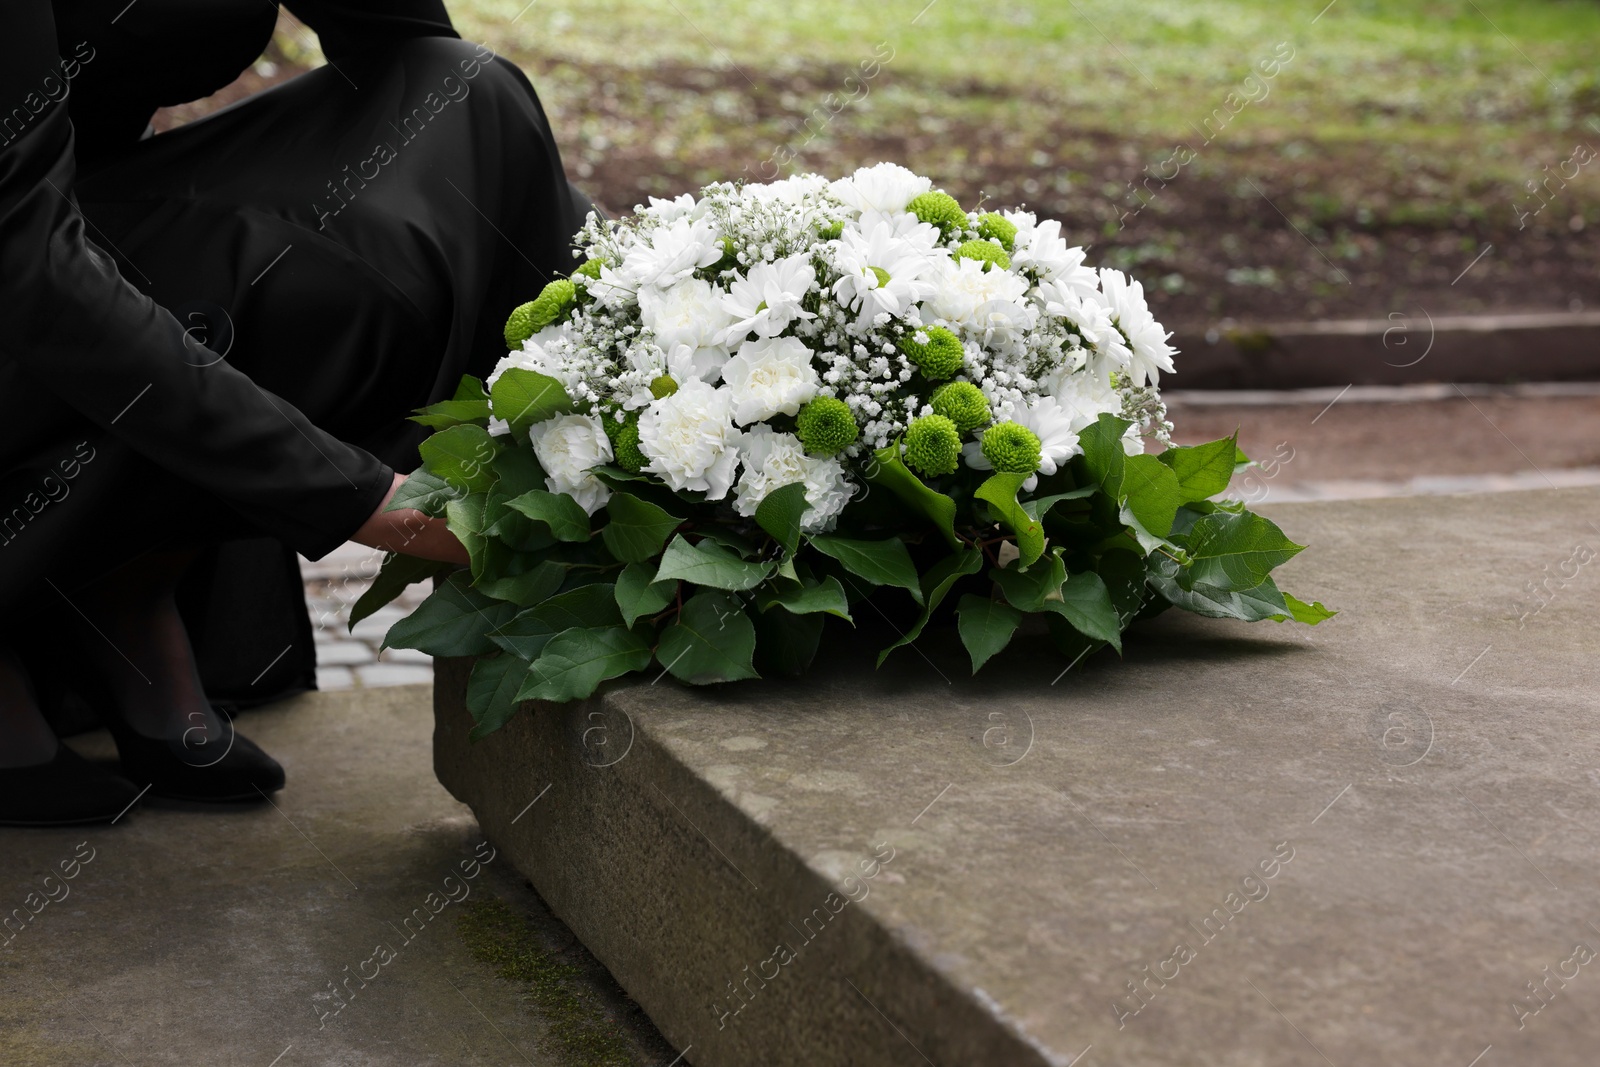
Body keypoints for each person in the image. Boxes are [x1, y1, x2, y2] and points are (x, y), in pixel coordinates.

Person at [0, 0, 594, 825]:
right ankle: (67, 583)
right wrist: (366, 498)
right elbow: (31, 271)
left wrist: (653, 339)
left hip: (75, 221)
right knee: (282, 282)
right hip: (22, 267)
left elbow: (405, 45)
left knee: (467, 96)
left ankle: (123, 573)